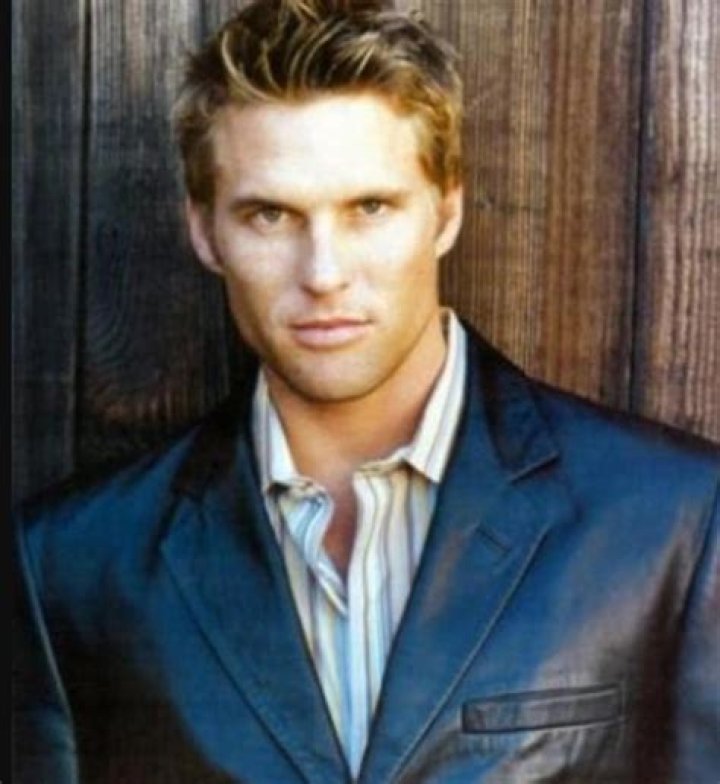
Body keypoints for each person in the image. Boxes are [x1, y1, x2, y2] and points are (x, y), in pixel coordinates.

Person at [14, 1, 719, 782]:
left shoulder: (678, 522)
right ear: (205, 230)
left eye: (370, 208)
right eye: (270, 215)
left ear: (445, 212)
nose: (323, 273)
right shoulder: (70, 565)